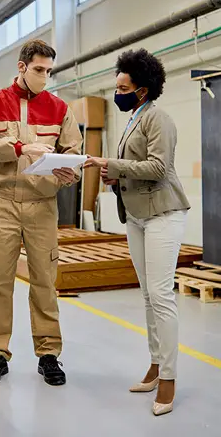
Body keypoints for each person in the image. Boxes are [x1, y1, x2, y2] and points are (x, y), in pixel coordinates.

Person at [84, 49, 190, 417]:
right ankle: (156, 363)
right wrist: (117, 177)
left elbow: (159, 167)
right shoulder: (134, 118)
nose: (118, 92)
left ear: (142, 90)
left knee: (162, 297)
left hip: (163, 212)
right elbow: (135, 167)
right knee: (147, 296)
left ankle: (170, 378)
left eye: (123, 87)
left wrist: (109, 163)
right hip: (136, 215)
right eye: (117, 86)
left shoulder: (159, 118)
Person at [0, 39, 83, 387]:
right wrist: (21, 147)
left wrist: (71, 173)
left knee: (44, 281)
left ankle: (48, 353)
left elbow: (74, 153)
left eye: (49, 71)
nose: (45, 77)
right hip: (3, 201)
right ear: (21, 67)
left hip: (42, 206)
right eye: (39, 70)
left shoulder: (60, 108)